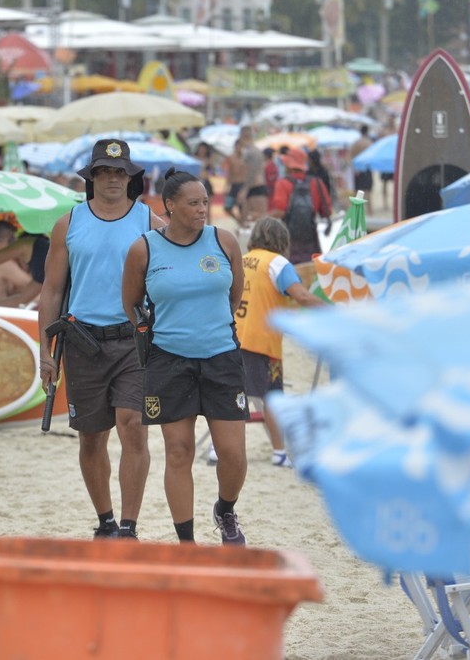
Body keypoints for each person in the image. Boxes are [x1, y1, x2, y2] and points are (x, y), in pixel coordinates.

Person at [121, 168, 249, 545]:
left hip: (221, 357)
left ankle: (225, 509)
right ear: (170, 206)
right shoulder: (144, 249)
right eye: (193, 203)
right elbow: (131, 303)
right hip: (168, 361)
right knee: (178, 452)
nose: (202, 209)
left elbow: (234, 296)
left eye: (205, 202)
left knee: (232, 453)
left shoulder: (223, 241)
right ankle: (187, 545)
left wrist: (206, 325)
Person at [39, 138, 158, 540]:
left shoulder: (149, 221)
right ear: (91, 177)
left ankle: (128, 526)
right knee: (91, 439)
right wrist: (44, 352)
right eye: (104, 172)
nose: (112, 179)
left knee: (133, 425)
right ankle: (105, 520)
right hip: (82, 342)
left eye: (119, 172)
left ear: (130, 177)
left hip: (134, 342)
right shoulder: (68, 223)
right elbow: (51, 290)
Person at [223, 217, 324, 468]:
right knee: (271, 397)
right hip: (261, 340)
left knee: (236, 394)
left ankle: (221, 447)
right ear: (282, 240)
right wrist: (333, 311)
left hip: (232, 336)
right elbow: (301, 295)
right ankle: (278, 452)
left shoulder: (242, 260)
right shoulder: (278, 263)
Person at [269, 146, 332, 267]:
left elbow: (280, 212)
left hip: (289, 240)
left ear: (288, 165)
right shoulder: (316, 182)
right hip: (311, 239)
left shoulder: (283, 184)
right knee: (311, 270)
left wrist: (263, 217)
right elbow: (326, 212)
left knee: (290, 270)